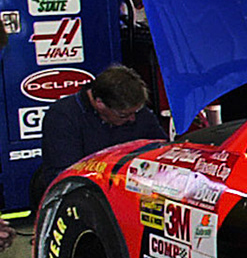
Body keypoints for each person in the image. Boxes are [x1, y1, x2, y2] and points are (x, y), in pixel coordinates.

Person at [31, 65, 167, 210]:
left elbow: (161, 149)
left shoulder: (137, 112)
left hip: (127, 191)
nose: (132, 119)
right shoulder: (62, 116)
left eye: (136, 111)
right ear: (99, 103)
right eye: (123, 115)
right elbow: (64, 176)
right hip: (79, 198)